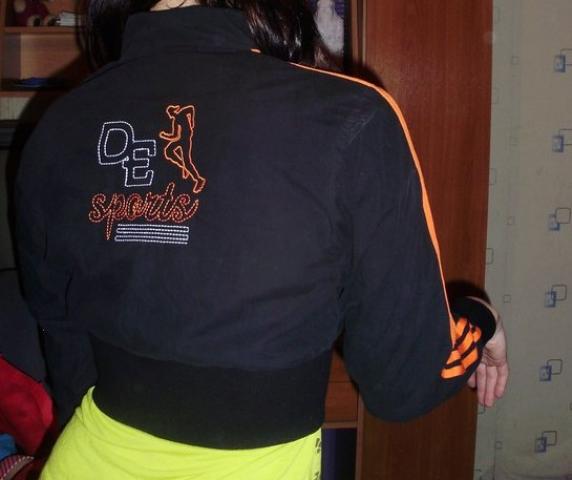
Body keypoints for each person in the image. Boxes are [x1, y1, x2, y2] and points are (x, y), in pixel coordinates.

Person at [14, 0, 509, 478]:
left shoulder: (60, 123)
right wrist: (481, 318)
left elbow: (61, 335)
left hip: (85, 456)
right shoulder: (349, 115)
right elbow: (403, 384)